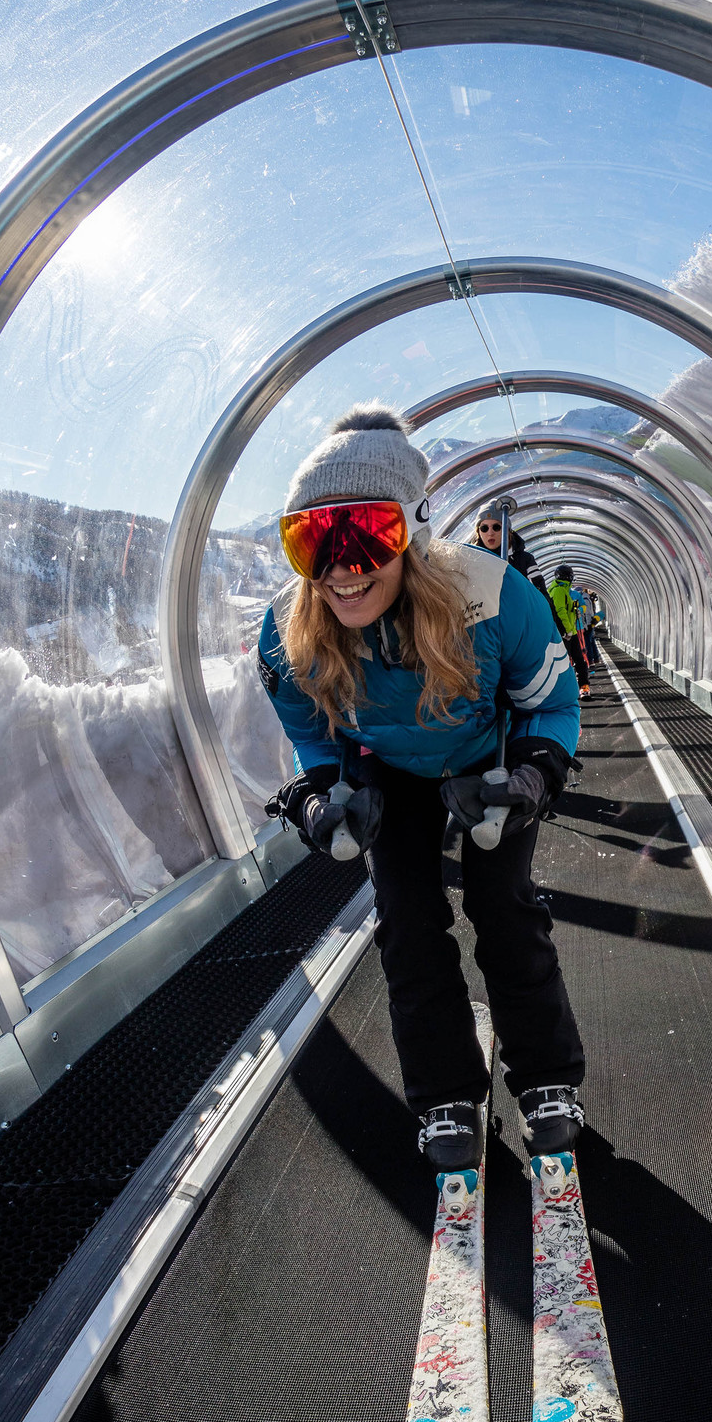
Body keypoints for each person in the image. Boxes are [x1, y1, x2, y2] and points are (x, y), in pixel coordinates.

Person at [256, 406, 585, 1172]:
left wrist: (533, 775)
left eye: (365, 533)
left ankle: (546, 1077)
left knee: (504, 907)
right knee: (406, 919)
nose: (340, 568)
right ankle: (444, 1092)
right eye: (311, 541)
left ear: (412, 529)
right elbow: (311, 729)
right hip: (393, 771)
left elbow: (551, 700)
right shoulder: (286, 632)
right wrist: (324, 792)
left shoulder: (492, 596)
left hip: (488, 760)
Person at [473, 498, 545, 592]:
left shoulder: (524, 560)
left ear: (507, 530)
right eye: (484, 528)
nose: (490, 533)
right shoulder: (473, 561)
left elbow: (541, 594)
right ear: (478, 532)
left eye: (496, 527)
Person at [547, 561, 592, 698]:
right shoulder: (559, 591)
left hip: (571, 632)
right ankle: (568, 691)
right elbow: (560, 612)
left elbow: (566, 608)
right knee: (566, 663)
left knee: (578, 660)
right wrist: (567, 630)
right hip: (566, 633)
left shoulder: (563, 590)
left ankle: (583, 687)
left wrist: (576, 609)